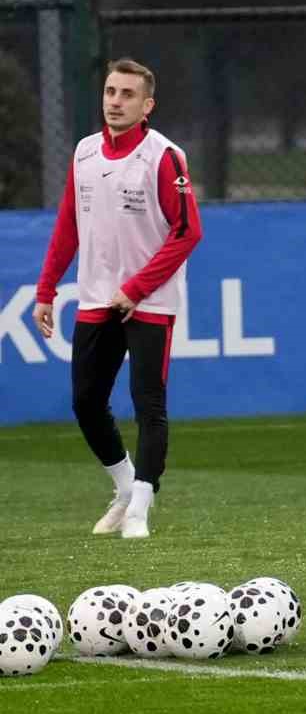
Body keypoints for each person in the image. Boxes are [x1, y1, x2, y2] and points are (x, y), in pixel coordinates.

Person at [32, 58, 203, 540]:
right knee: (86, 402)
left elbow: (188, 232)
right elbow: (68, 225)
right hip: (96, 297)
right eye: (110, 91)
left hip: (150, 299)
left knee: (148, 403)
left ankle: (140, 509)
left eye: (128, 94)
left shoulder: (165, 156)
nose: (115, 101)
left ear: (147, 105)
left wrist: (137, 287)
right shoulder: (84, 153)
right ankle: (125, 484)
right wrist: (46, 290)